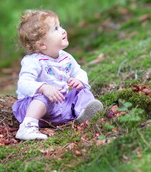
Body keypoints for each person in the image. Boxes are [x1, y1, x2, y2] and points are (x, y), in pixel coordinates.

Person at [12, 10, 103, 140]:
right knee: (43, 97)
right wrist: (43, 88)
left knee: (82, 91)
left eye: (60, 26)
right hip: (35, 110)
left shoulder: (66, 57)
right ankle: (28, 127)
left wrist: (79, 81)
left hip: (60, 105)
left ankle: (83, 114)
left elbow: (79, 72)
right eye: (56, 29)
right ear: (42, 44)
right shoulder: (33, 61)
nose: (63, 31)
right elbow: (23, 84)